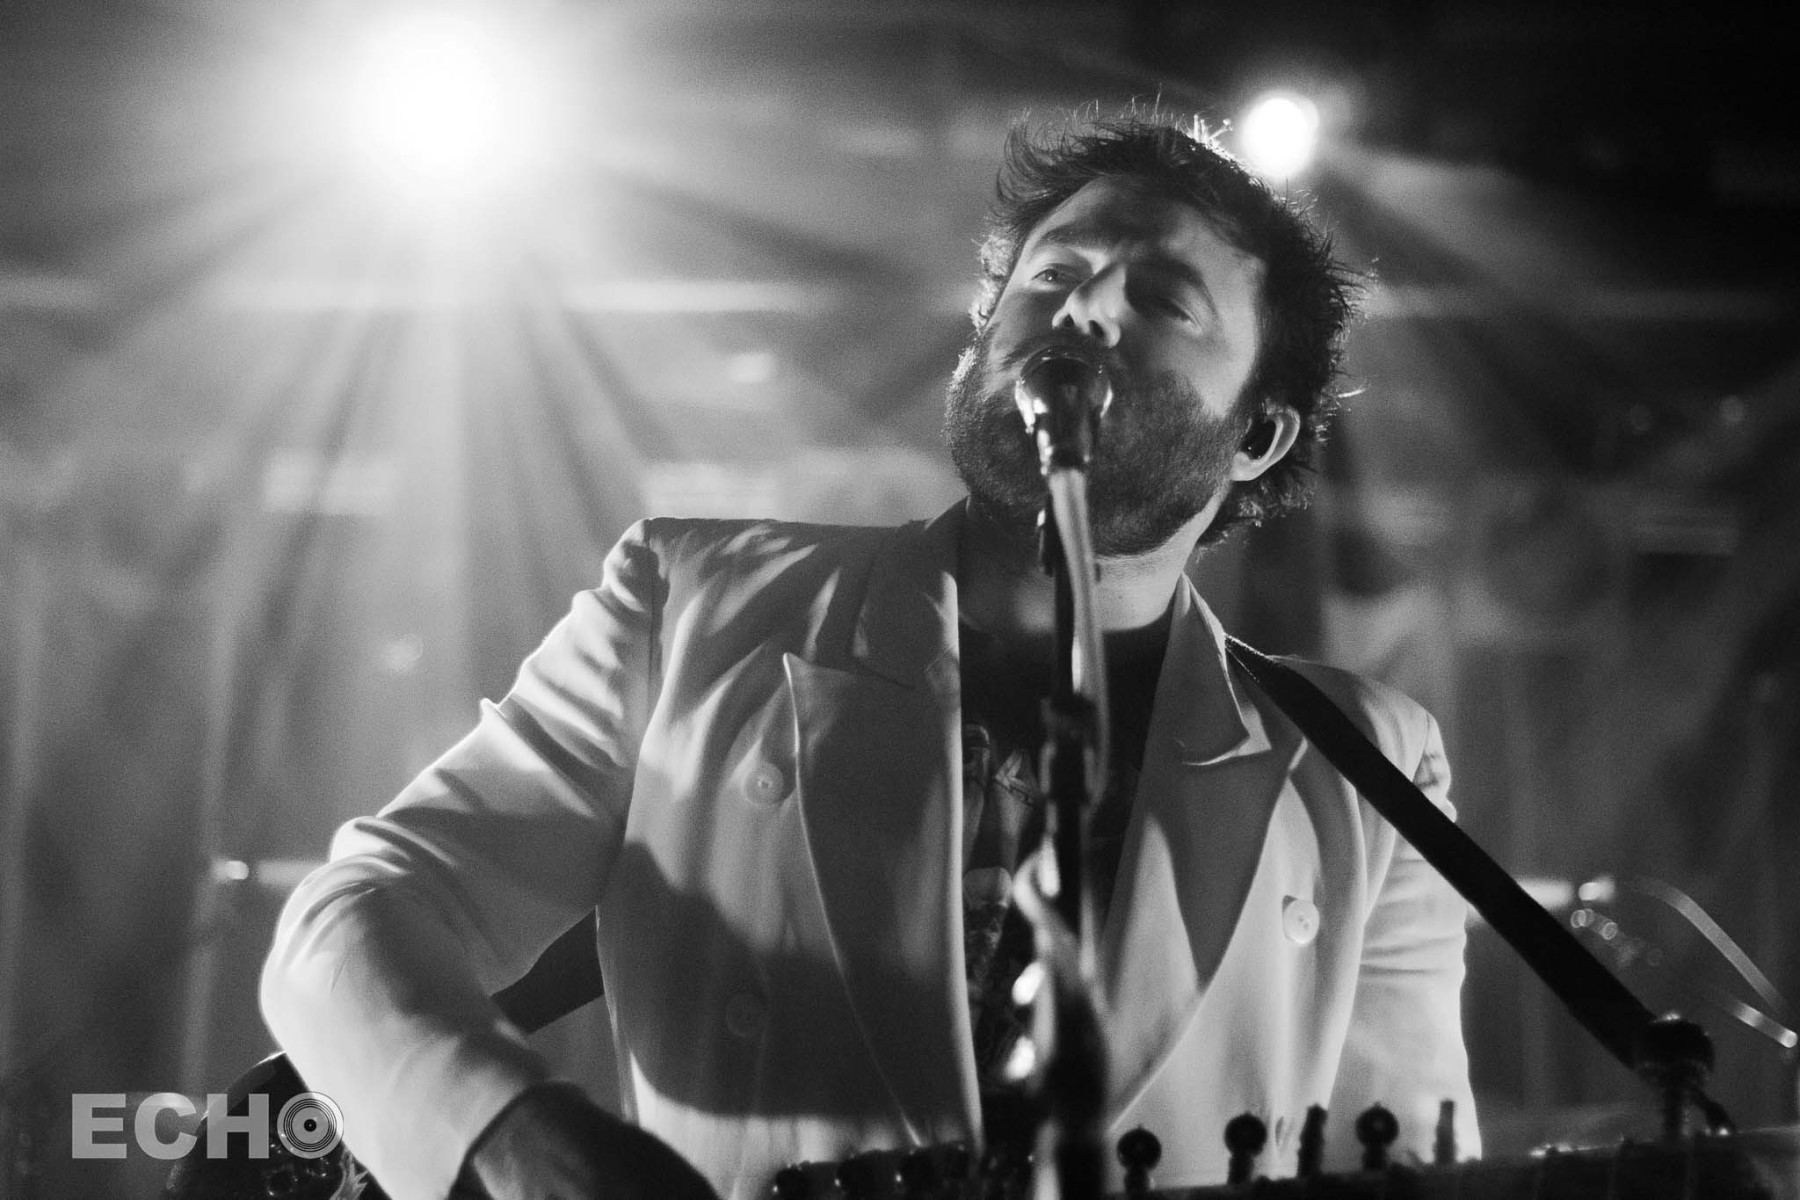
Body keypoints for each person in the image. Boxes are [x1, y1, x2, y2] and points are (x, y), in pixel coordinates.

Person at [261, 111, 1479, 1200]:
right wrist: (513, 1134)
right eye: (1053, 273)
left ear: (1258, 435)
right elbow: (362, 911)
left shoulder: (1366, 763)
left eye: (1162, 301)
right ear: (983, 335)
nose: (1080, 311)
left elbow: (1409, 1158)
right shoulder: (691, 603)